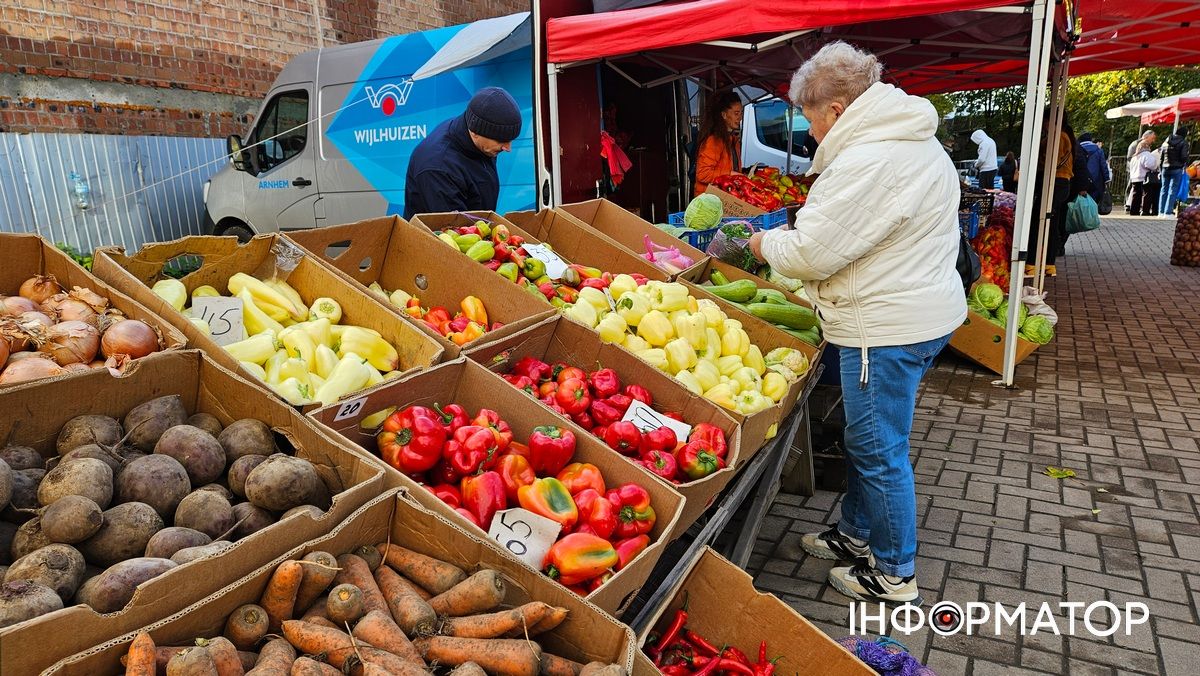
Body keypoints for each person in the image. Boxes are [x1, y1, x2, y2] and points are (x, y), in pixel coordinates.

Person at [747, 41, 966, 604]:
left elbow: (813, 251)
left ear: (838, 110)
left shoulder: (874, 158)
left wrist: (762, 241)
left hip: (884, 326)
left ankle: (894, 573)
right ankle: (857, 533)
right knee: (868, 437)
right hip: (908, 312)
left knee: (876, 447)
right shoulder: (907, 138)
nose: (811, 132)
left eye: (811, 118)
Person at [403, 87, 522, 219]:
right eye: (501, 140)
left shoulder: (479, 139)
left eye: (510, 140)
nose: (508, 148)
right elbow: (454, 230)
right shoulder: (438, 167)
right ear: (475, 131)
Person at [1024, 115, 1076, 278]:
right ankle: (1047, 264)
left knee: (1039, 222)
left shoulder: (1058, 137)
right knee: (1050, 223)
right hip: (1059, 183)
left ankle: (1033, 264)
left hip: (1054, 182)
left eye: (1045, 121)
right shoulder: (1062, 136)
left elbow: (1050, 161)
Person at [693, 91, 743, 197]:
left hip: (724, 198)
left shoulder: (733, 140)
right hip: (708, 200)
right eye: (736, 113)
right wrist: (730, 173)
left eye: (741, 113)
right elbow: (702, 174)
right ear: (724, 115)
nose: (740, 118)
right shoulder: (714, 140)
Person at [1159, 126, 1192, 216]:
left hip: (1165, 167)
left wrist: (1160, 167)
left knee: (1163, 189)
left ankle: (1161, 212)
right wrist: (1184, 163)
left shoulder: (1166, 141)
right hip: (1176, 168)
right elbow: (1184, 157)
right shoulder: (1183, 142)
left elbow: (1161, 155)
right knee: (1172, 190)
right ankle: (1168, 212)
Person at [1125, 130, 1157, 209]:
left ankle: (1133, 209)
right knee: (1143, 193)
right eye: (1152, 138)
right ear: (1146, 137)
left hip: (1134, 173)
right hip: (1141, 174)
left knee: (1136, 193)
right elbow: (1149, 164)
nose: (1153, 141)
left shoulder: (1137, 151)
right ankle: (1141, 209)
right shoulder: (1140, 147)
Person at [1128, 140, 1160, 216]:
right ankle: (1145, 211)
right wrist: (1155, 167)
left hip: (1135, 178)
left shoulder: (1134, 156)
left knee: (1136, 195)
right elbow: (1151, 165)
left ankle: (1134, 210)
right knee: (1146, 195)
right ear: (1147, 147)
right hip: (1145, 178)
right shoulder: (1147, 155)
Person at [1077, 133, 1111, 204]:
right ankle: (1092, 213)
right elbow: (1103, 165)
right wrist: (1106, 179)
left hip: (1081, 178)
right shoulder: (1098, 150)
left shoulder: (1078, 149)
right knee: (1094, 199)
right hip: (1096, 179)